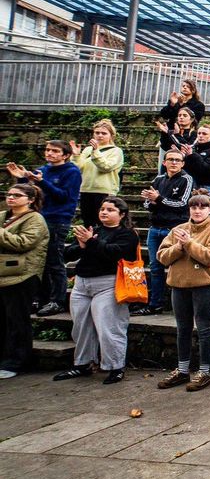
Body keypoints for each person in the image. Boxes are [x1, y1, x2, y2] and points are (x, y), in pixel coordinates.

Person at [55, 197, 139, 384]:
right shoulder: (94, 230)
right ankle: (82, 364)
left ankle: (115, 366)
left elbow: (114, 253)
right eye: (102, 209)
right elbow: (69, 254)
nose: (104, 212)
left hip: (108, 283)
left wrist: (90, 243)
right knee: (81, 326)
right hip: (83, 283)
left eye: (110, 209)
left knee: (109, 327)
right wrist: (83, 245)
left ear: (122, 214)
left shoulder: (127, 234)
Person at [154, 193, 210, 392]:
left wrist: (189, 244)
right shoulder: (178, 230)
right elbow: (162, 256)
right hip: (179, 284)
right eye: (194, 207)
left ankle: (204, 371)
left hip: (205, 285)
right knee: (182, 328)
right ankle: (182, 369)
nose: (197, 210)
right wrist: (178, 246)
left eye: (202, 207)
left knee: (204, 328)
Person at [9, 140, 80, 318]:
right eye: (48, 150)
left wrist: (42, 182)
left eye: (55, 151)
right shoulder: (43, 169)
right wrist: (22, 178)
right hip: (39, 218)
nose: (50, 153)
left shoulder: (72, 172)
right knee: (39, 260)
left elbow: (63, 196)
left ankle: (58, 300)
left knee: (55, 261)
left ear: (65, 155)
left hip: (58, 219)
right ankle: (41, 298)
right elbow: (32, 194)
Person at [135, 149, 194, 317]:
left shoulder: (186, 179)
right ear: (164, 162)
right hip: (155, 228)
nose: (174, 162)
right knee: (155, 267)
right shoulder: (158, 179)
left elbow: (183, 204)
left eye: (177, 160)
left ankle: (184, 307)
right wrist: (152, 201)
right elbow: (147, 204)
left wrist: (158, 199)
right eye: (170, 159)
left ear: (183, 163)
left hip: (175, 229)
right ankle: (155, 304)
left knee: (179, 266)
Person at [0, 184, 48, 379]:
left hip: (22, 274)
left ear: (30, 199)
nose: (11, 198)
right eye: (9, 194)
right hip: (2, 274)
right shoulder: (3, 216)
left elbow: (23, 243)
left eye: (17, 195)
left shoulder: (35, 219)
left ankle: (17, 361)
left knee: (17, 320)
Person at [71, 120, 124, 229]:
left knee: (103, 223)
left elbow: (106, 167)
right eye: (97, 132)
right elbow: (78, 168)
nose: (100, 135)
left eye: (104, 133)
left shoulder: (116, 151)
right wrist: (76, 156)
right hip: (86, 190)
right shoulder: (87, 149)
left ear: (111, 135)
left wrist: (96, 152)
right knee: (88, 223)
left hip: (104, 191)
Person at [181, 124, 210, 204]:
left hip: (207, 189)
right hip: (190, 188)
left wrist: (192, 156)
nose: (200, 136)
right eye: (199, 133)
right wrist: (182, 157)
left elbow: (206, 170)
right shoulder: (194, 151)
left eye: (204, 134)